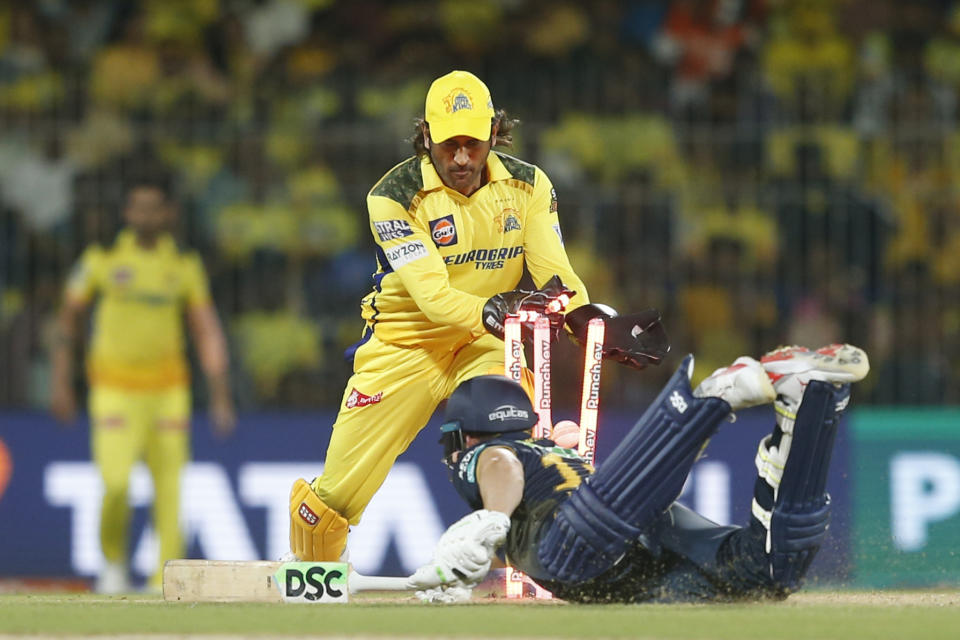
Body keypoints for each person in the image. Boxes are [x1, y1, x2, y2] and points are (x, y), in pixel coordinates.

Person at [287, 70, 669, 564]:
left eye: (473, 142)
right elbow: (434, 299)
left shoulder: (529, 185)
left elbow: (557, 274)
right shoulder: (393, 196)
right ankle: (312, 579)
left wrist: (589, 321)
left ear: (495, 131)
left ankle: (522, 558)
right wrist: (496, 310)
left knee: (508, 435)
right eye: (448, 144)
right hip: (406, 343)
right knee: (335, 497)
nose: (462, 157)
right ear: (426, 136)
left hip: (488, 342)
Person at [410, 343, 869, 603]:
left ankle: (711, 399)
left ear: (467, 434)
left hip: (586, 541)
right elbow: (516, 534)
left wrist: (488, 524)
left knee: (573, 553)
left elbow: (499, 466)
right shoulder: (543, 458)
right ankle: (810, 404)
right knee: (767, 575)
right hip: (635, 546)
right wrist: (455, 570)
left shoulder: (489, 454)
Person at [50, 174, 236, 593]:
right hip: (114, 389)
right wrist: (61, 381)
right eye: (138, 207)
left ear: (167, 213)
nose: (145, 215)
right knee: (115, 484)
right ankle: (112, 562)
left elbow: (206, 330)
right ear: (126, 212)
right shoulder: (101, 258)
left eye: (154, 207)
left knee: (169, 490)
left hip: (168, 392)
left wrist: (221, 396)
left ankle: (163, 578)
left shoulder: (183, 264)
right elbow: (68, 318)